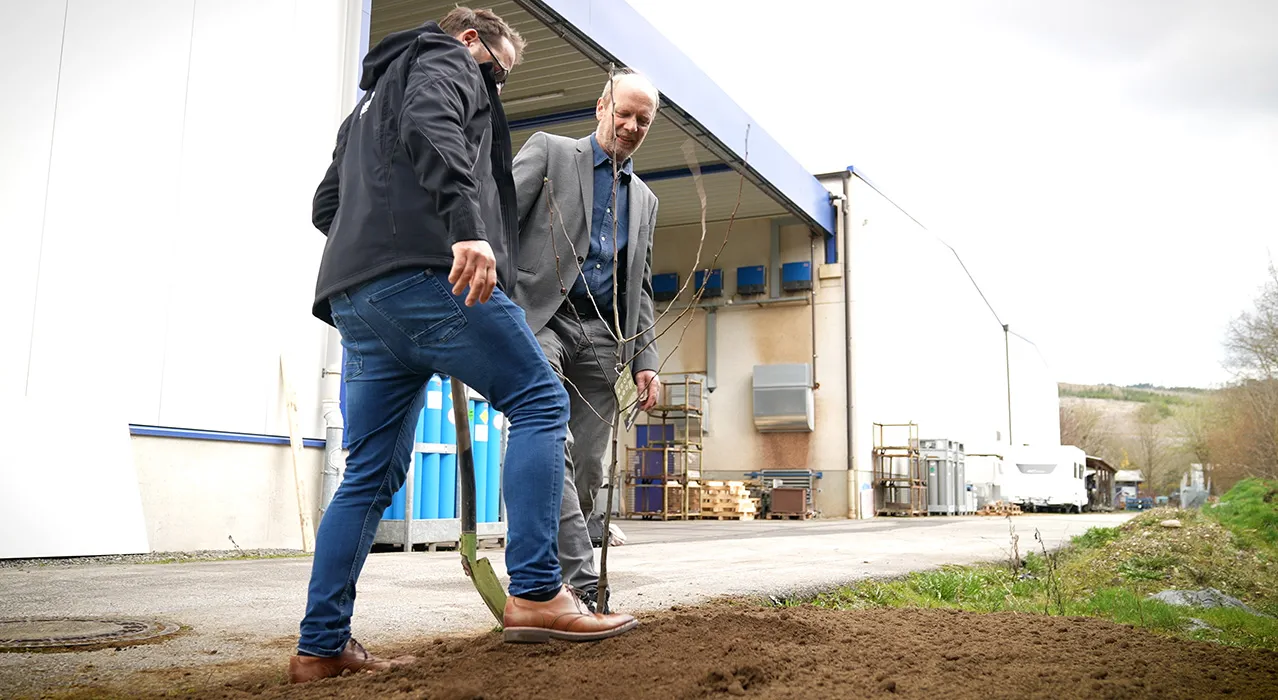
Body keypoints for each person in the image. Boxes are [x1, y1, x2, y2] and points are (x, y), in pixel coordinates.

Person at [291, 8, 637, 685]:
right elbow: (434, 124)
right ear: (473, 39)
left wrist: (379, 251)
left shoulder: (365, 107)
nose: (496, 90)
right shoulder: (444, 59)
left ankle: (321, 647)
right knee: (539, 400)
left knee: (367, 474)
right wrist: (460, 230)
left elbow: (326, 205)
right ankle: (538, 592)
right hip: (431, 276)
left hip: (357, 299)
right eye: (499, 73)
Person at [510, 68, 663, 614]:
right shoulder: (549, 153)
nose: (631, 126)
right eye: (623, 113)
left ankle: (557, 576)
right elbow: (501, 220)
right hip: (541, 318)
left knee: (591, 467)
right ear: (601, 107)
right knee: (552, 438)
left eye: (642, 120)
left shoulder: (645, 200)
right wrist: (496, 305)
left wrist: (645, 359)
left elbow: (640, 283)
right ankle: (578, 586)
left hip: (602, 332)